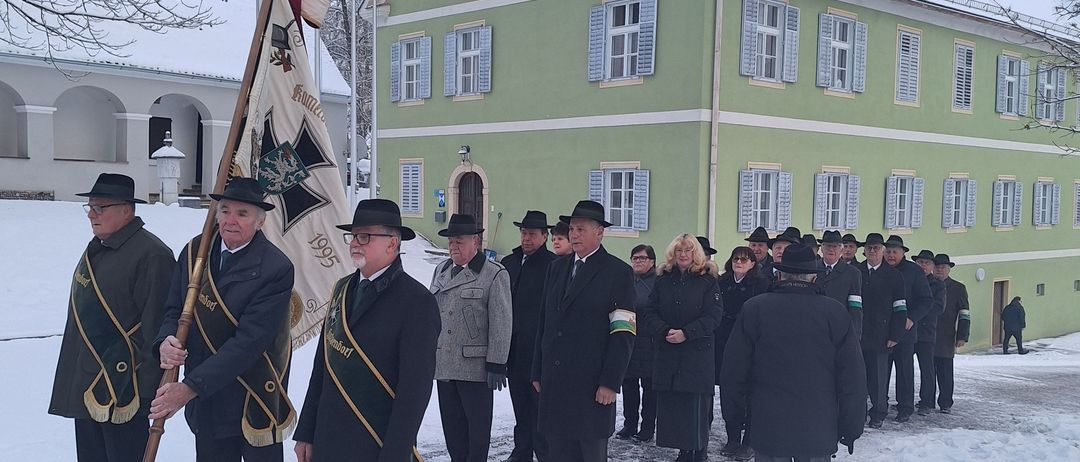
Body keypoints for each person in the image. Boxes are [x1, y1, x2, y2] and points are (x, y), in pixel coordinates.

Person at [153, 178, 296, 462]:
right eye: (226, 210)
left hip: (253, 398)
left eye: (242, 214)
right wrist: (165, 341)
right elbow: (173, 310)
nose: (231, 220)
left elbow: (249, 343)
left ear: (260, 222)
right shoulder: (195, 252)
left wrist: (190, 388)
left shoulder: (276, 268)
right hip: (208, 404)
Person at [294, 199, 440, 461]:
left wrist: (395, 453)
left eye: (364, 236)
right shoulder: (341, 289)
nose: (354, 243)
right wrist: (306, 431)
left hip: (374, 442)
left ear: (392, 243)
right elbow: (322, 366)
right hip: (327, 438)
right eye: (352, 236)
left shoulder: (417, 301)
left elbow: (414, 391)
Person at [49, 173, 176, 462]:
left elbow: (156, 325)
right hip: (88, 385)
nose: (91, 215)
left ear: (126, 210)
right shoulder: (98, 247)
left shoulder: (152, 254)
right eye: (90, 207)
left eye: (100, 207)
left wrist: (147, 395)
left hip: (125, 390)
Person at [721, 244, 866, 462]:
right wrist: (851, 426)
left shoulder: (755, 309)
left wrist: (734, 417)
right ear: (814, 278)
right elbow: (853, 377)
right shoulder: (835, 313)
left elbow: (733, 371)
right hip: (818, 426)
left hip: (768, 425)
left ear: (779, 275)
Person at [531, 200, 636, 462]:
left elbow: (623, 332)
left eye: (581, 229)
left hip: (591, 386)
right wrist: (538, 369)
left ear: (599, 232)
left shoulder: (618, 272)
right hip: (556, 384)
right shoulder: (557, 268)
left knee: (588, 453)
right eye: (571, 229)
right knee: (557, 453)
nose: (574, 235)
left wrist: (610, 382)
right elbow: (544, 322)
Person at [430, 214, 513, 462]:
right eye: (450, 242)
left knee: (476, 435)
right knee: (453, 433)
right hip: (445, 364)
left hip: (474, 368)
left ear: (475, 241)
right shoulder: (441, 270)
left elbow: (501, 322)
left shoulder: (493, 273)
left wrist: (497, 363)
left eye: (459, 241)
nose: (453, 247)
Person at [639, 235, 723, 462]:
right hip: (668, 353)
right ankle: (684, 452)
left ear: (695, 253)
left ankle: (698, 452)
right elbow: (649, 311)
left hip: (696, 355)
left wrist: (687, 333)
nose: (683, 255)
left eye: (688, 250)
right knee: (675, 411)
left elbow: (714, 315)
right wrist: (664, 330)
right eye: (679, 251)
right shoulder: (663, 280)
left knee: (695, 409)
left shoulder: (707, 281)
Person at [501, 211, 557, 462]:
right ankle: (522, 449)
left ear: (544, 236)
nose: (526, 238)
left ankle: (543, 452)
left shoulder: (552, 265)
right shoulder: (509, 262)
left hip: (538, 347)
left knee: (539, 405)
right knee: (519, 402)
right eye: (523, 233)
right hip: (513, 347)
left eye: (532, 234)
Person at [714, 246, 767, 461]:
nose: (739, 262)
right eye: (736, 258)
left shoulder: (761, 285)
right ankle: (733, 438)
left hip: (751, 344)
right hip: (724, 342)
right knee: (730, 394)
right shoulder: (722, 282)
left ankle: (749, 442)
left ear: (753, 263)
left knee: (751, 394)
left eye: (744, 259)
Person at [855, 233, 908, 429]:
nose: (872, 251)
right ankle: (858, 413)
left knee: (878, 379)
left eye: (876, 248)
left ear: (883, 251)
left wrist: (896, 335)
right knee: (857, 377)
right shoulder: (856, 272)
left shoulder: (894, 276)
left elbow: (900, 308)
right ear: (864, 250)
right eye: (869, 248)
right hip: (859, 334)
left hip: (882, 335)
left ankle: (878, 413)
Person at [882, 235, 933, 423]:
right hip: (882, 329)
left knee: (904, 370)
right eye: (888, 251)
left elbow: (926, 300)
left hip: (905, 330)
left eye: (894, 252)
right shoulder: (880, 269)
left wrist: (912, 317)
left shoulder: (914, 271)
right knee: (881, 370)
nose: (891, 255)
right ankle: (880, 403)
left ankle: (905, 407)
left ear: (903, 253)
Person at [616, 244, 658, 444]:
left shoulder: (658, 282)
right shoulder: (626, 279)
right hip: (628, 339)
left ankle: (648, 427)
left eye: (642, 258)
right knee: (629, 385)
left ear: (652, 262)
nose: (638, 261)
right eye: (635, 258)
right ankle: (629, 424)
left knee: (649, 388)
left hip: (650, 341)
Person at [932, 254, 969, 413]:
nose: (939, 270)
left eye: (943, 267)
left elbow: (964, 313)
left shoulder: (958, 288)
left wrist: (962, 335)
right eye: (937, 267)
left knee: (945, 371)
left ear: (949, 269)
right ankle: (927, 400)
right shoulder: (927, 284)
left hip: (946, 336)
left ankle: (946, 402)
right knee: (928, 371)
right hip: (928, 334)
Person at [912, 250, 946, 416]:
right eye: (920, 262)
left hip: (926, 332)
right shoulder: (911, 280)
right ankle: (905, 400)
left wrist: (919, 309)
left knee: (927, 369)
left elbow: (938, 307)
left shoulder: (938, 285)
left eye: (927, 263)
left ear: (932, 266)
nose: (923, 265)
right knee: (905, 368)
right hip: (909, 330)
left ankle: (927, 401)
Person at [816, 230, 864, 340]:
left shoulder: (853, 273)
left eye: (835, 246)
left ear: (841, 250)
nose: (831, 249)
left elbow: (855, 306)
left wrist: (855, 335)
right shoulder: (812, 268)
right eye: (828, 246)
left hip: (839, 328)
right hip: (815, 325)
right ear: (821, 249)